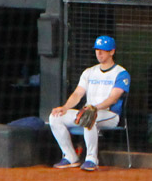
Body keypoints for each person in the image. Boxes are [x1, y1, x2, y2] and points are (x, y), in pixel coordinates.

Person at [48, 35, 130, 172]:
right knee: (55, 117)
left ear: (112, 52)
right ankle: (70, 156)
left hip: (110, 114)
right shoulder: (89, 72)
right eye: (97, 50)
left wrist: (95, 108)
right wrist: (65, 107)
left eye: (103, 50)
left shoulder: (121, 73)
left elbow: (113, 98)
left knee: (89, 116)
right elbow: (77, 94)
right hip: (88, 111)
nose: (99, 53)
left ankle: (91, 159)